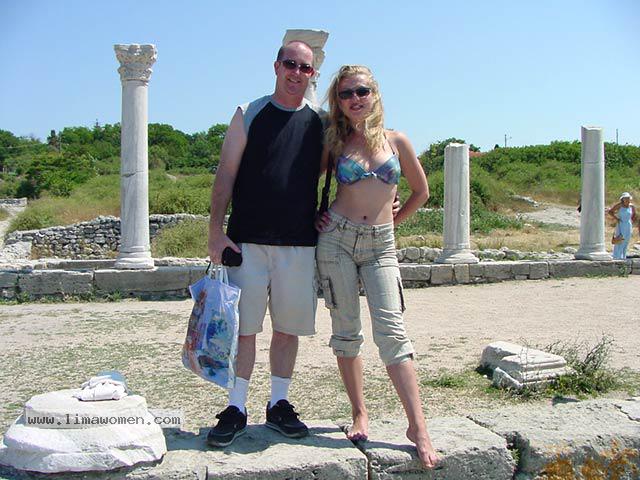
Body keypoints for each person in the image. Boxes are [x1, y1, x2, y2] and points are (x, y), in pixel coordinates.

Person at [315, 65, 439, 469]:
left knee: (393, 333)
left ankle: (418, 427)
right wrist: (314, 215)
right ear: (338, 102)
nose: (355, 99)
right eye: (346, 93)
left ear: (375, 94)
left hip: (381, 246)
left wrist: (392, 222)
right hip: (336, 239)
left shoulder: (397, 140)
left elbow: (421, 191)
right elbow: (301, 181)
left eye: (361, 91)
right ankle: (359, 413)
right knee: (346, 330)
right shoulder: (335, 142)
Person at [206, 40, 325, 447]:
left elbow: (345, 167)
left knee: (288, 329)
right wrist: (215, 231)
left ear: (313, 74)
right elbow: (226, 173)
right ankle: (236, 407)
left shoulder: (320, 123)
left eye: (305, 67)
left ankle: (279, 403)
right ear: (276, 66)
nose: (296, 73)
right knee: (245, 330)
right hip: (247, 242)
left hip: (299, 243)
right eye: (290, 64)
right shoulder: (249, 112)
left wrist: (386, 196)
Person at [608, 192, 636, 260]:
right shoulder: (619, 205)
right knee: (620, 239)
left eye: (628, 198)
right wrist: (617, 218)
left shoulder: (631, 206)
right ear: (622, 199)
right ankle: (617, 256)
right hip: (621, 224)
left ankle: (623, 256)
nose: (627, 199)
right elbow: (610, 211)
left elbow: (634, 214)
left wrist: (631, 220)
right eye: (625, 198)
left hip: (628, 224)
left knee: (626, 240)